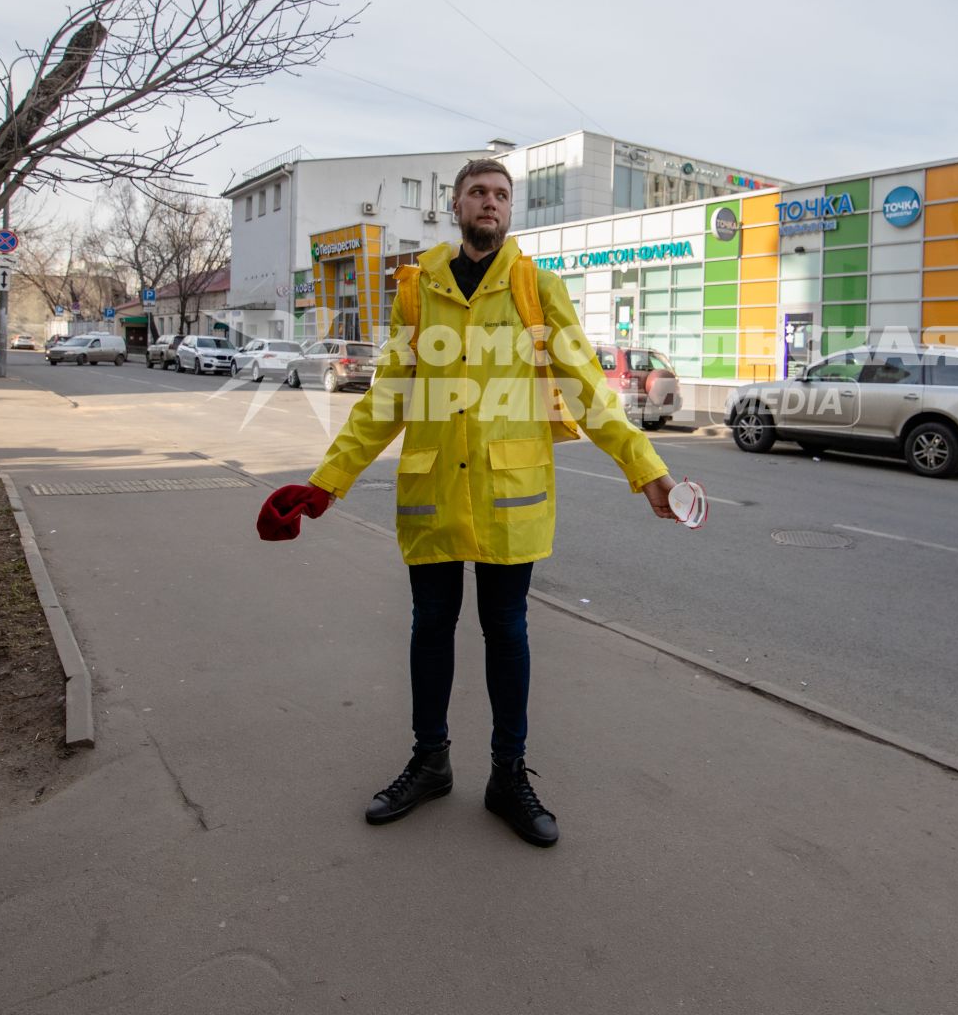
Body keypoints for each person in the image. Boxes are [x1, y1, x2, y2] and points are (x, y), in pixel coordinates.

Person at [257, 158, 680, 847]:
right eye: (478, 192)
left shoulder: (537, 288)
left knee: (506, 633)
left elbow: (587, 390)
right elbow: (388, 397)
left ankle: (507, 775)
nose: (490, 202)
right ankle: (431, 762)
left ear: (512, 211)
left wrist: (647, 469)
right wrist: (325, 482)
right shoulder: (417, 292)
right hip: (433, 494)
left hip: (511, 497)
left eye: (501, 195)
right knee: (430, 628)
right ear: (455, 205)